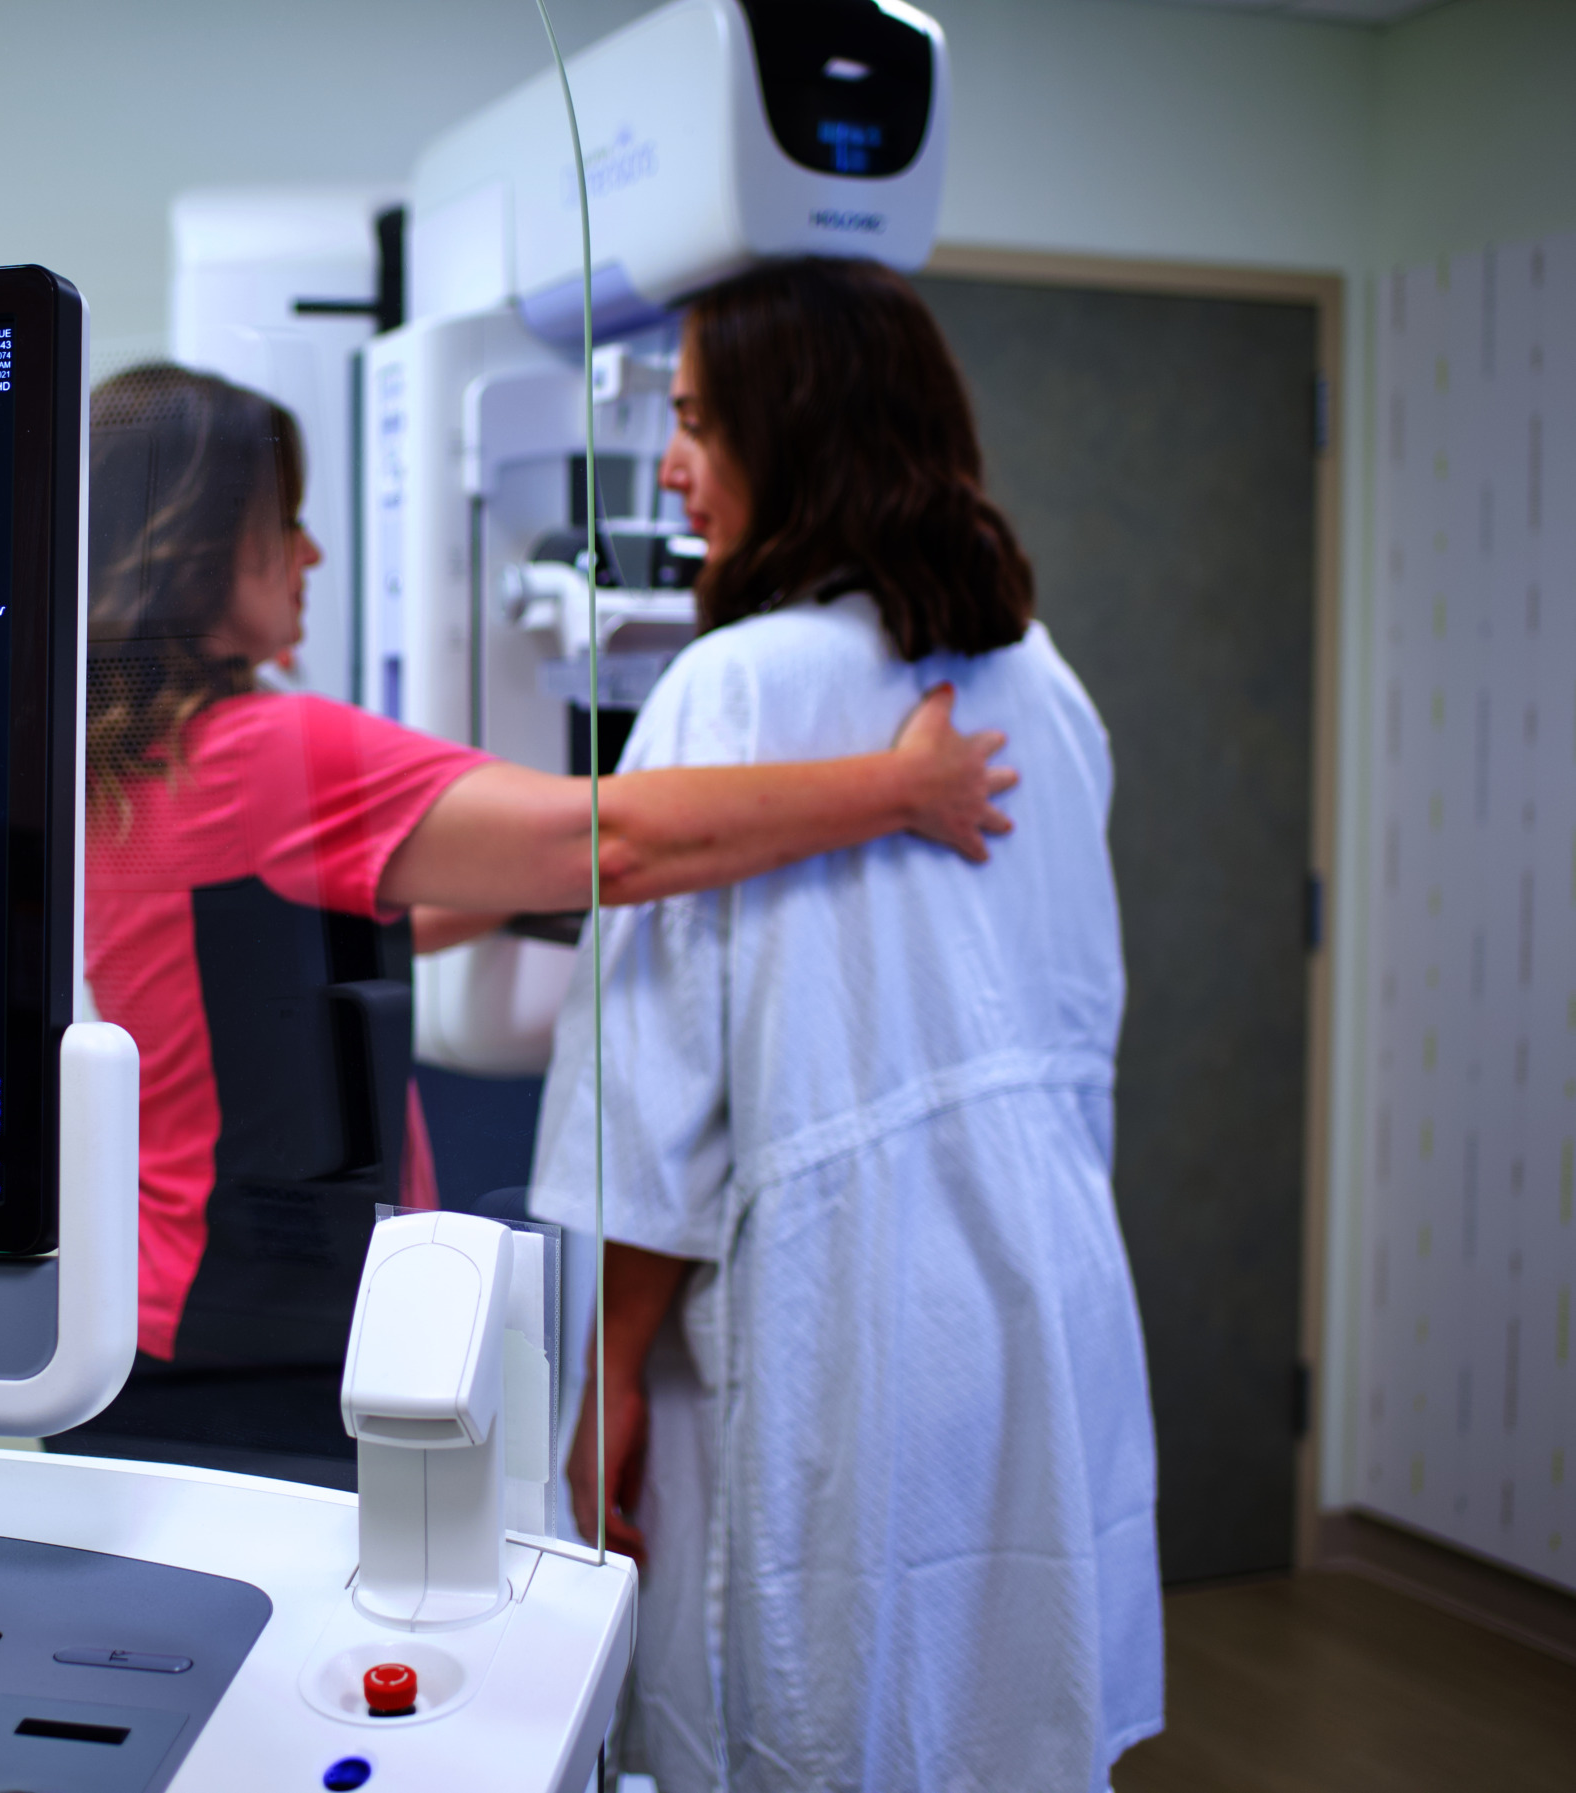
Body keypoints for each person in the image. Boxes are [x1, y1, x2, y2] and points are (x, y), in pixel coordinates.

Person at [61, 362, 1020, 1479]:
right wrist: (903, 788)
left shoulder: (123, 757)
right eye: (285, 523)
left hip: (147, 1346)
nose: (311, 552)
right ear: (201, 542)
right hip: (260, 1366)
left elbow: (294, 958)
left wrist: (537, 884)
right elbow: (606, 839)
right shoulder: (263, 754)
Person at [532, 258, 1164, 1791]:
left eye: (694, 420)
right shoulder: (1044, 685)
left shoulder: (736, 685)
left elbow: (654, 1097)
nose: (671, 465)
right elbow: (1082, 1018)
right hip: (1035, 1295)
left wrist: (602, 1377)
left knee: (812, 1717)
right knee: (1011, 1698)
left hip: (841, 1319)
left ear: (791, 424)